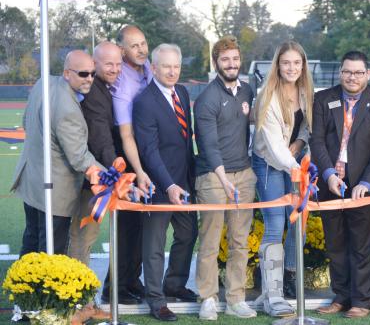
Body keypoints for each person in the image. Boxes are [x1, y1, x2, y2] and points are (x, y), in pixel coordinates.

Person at [310, 51, 370, 319]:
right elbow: (318, 141)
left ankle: (361, 301)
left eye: (358, 72)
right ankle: (341, 296)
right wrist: (327, 174)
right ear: (340, 72)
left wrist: (368, 182)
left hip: (365, 187)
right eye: (347, 71)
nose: (352, 77)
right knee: (335, 244)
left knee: (362, 245)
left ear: (368, 74)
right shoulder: (323, 99)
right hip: (331, 184)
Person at [12, 50, 104, 255]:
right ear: (66, 73)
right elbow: (79, 157)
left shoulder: (42, 83)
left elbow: (25, 121)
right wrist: (111, 177)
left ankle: (23, 286)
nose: (89, 79)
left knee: (32, 239)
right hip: (54, 191)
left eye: (92, 73)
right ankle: (43, 288)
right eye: (83, 74)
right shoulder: (67, 109)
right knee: (51, 251)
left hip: (32, 181)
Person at [133, 43, 198, 322]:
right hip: (159, 185)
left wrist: (186, 182)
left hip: (184, 182)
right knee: (155, 245)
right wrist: (169, 185)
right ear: (153, 68)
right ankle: (156, 300)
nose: (172, 71)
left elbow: (185, 141)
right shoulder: (144, 102)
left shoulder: (182, 92)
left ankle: (175, 284)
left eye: (176, 66)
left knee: (187, 234)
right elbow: (149, 150)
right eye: (166, 66)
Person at [195, 36, 257, 320]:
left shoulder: (248, 91)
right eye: (225, 59)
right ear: (216, 63)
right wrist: (223, 179)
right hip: (213, 176)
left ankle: (235, 298)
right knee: (209, 241)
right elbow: (208, 146)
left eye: (234, 59)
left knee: (239, 241)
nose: (231, 64)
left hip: (244, 174)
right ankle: (207, 297)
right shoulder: (207, 98)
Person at [252, 41, 313, 316]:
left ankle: (283, 279)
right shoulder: (267, 94)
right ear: (278, 64)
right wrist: (296, 167)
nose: (292, 68)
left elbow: (308, 127)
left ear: (303, 65)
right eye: (286, 62)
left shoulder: (307, 91)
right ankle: (273, 296)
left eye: (296, 63)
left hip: (294, 161)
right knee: (276, 223)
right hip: (270, 163)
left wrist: (299, 144)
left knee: (298, 219)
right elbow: (276, 147)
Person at [101, 24, 153, 305]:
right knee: (126, 224)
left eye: (143, 43)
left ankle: (132, 280)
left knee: (140, 225)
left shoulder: (145, 70)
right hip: (128, 157)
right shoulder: (123, 82)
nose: (141, 49)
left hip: (144, 153)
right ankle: (114, 287)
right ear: (122, 50)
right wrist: (138, 172)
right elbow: (126, 133)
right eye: (134, 46)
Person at [68, 41, 122, 265]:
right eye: (108, 64)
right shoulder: (94, 93)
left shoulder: (101, 88)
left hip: (91, 175)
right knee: (83, 236)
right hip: (89, 178)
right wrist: (116, 174)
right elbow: (101, 139)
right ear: (94, 63)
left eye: (118, 64)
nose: (115, 69)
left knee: (83, 236)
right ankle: (78, 297)